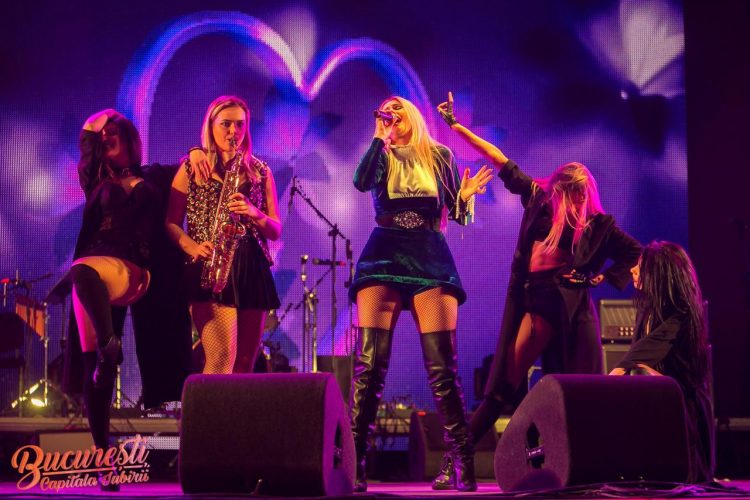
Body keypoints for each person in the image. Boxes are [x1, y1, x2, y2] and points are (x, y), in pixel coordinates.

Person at [434, 92, 642, 488]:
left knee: (580, 387)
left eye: (584, 193)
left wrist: (601, 278)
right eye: (574, 193)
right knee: (503, 387)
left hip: (573, 306)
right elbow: (498, 158)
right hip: (539, 299)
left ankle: (583, 468)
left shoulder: (598, 224)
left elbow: (634, 253)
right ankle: (455, 458)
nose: (580, 200)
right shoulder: (539, 199)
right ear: (561, 190)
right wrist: (456, 126)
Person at [349, 96, 493, 492]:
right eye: (385, 110)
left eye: (397, 108)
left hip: (430, 256)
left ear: (412, 114)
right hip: (383, 255)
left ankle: (462, 463)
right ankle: (355, 461)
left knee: (442, 366)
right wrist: (379, 138)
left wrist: (465, 198)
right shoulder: (381, 154)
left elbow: (456, 215)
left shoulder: (440, 155)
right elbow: (361, 182)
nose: (391, 114)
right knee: (370, 364)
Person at [65, 109, 157, 491]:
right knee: (95, 371)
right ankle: (105, 463)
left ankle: (108, 347)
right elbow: (89, 128)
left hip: (130, 269)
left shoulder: (151, 179)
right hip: (91, 272)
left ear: (130, 137)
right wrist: (104, 121)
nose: (106, 135)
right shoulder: (95, 181)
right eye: (104, 135)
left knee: (83, 270)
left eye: (114, 131)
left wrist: (115, 119)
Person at [166, 95, 281, 375]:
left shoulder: (261, 171)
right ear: (211, 126)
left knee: (244, 364)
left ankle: (236, 408)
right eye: (226, 124)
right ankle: (206, 407)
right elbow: (170, 223)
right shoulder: (191, 167)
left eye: (240, 125)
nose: (233, 132)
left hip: (251, 268)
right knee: (220, 360)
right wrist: (192, 247)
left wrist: (254, 212)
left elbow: (275, 230)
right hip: (210, 267)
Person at [610, 241, 715, 483]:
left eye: (639, 267)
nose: (632, 270)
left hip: (683, 405)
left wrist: (619, 371)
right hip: (658, 401)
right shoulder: (647, 308)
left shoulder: (683, 314)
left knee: (639, 374)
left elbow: (649, 347)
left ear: (658, 274)